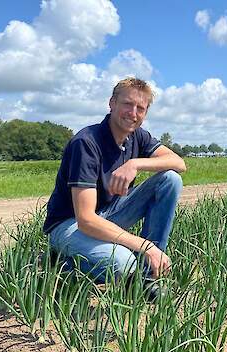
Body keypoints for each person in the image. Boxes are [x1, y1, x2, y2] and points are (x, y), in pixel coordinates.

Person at [43, 77, 185, 286]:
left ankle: (146, 277)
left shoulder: (137, 136)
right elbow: (86, 220)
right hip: (69, 224)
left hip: (108, 215)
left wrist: (135, 164)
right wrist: (144, 245)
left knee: (170, 179)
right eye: (127, 104)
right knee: (123, 263)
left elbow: (178, 163)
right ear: (112, 103)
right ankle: (66, 263)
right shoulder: (86, 143)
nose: (133, 113)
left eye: (140, 108)